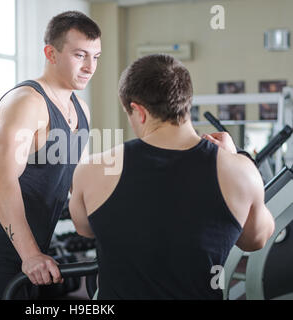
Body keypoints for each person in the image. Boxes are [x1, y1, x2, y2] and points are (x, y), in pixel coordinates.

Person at [68, 54, 275, 299]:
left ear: (138, 111)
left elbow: (85, 229)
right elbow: (256, 239)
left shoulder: (91, 170)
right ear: (186, 102)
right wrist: (234, 158)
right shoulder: (240, 171)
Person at [0, 11, 101, 300]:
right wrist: (31, 254)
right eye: (80, 55)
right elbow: (1, 183)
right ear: (51, 53)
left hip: (34, 250)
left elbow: (76, 181)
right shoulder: (27, 104)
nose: (89, 67)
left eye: (96, 57)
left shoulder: (80, 110)